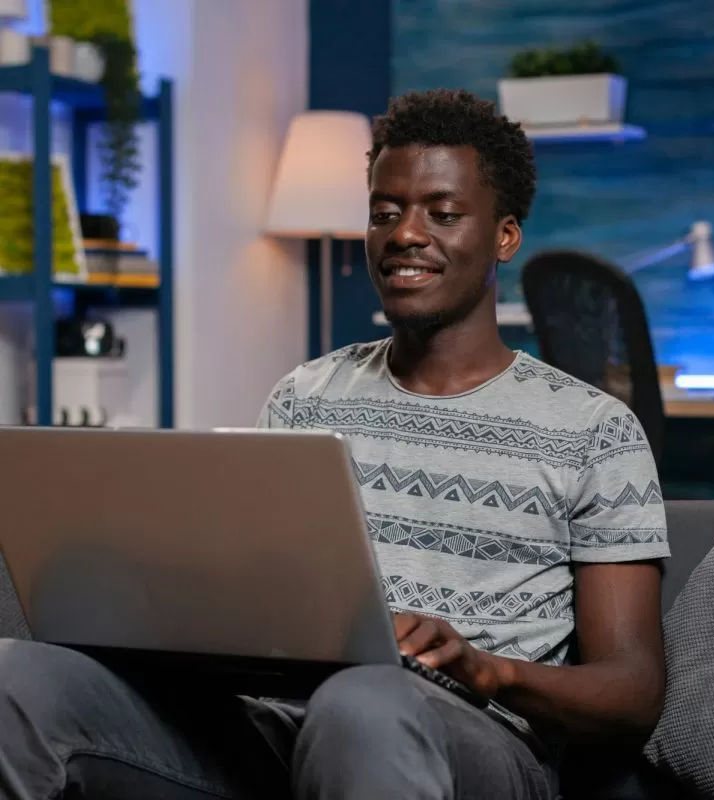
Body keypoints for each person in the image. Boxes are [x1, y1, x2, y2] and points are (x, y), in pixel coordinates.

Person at [0, 89, 669, 800]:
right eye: (385, 212)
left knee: (365, 703)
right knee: (20, 676)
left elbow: (631, 691)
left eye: (442, 213)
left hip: (473, 739)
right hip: (276, 726)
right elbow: (255, 597)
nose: (405, 233)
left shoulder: (593, 429)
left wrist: (485, 667)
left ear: (505, 236)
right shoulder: (304, 398)